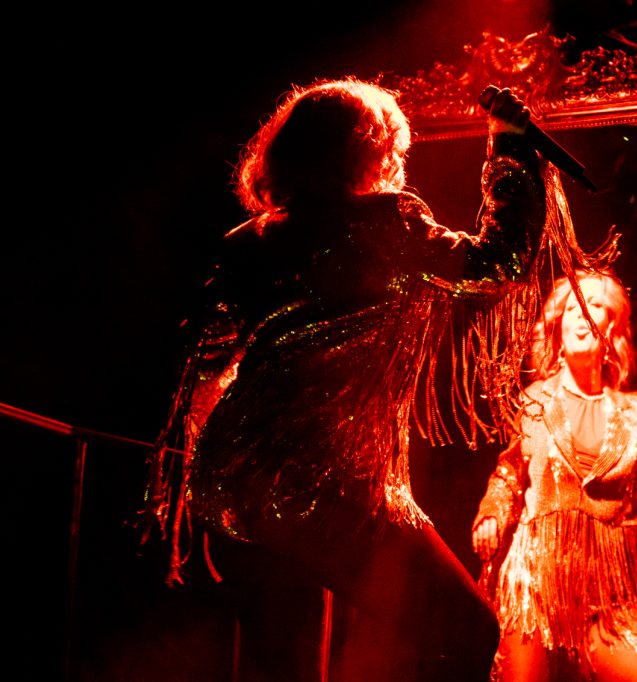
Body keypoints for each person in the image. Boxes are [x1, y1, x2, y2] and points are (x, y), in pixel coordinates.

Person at [139, 76, 569, 681]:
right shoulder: (389, 222)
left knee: (285, 660)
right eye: (392, 148)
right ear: (368, 149)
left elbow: (202, 366)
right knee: (465, 628)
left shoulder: (245, 242)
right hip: (327, 483)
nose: (397, 162)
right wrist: (511, 149)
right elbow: (498, 263)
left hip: (235, 480)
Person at [471, 270, 637, 682]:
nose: (583, 314)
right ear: (558, 325)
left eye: (596, 305)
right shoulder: (535, 402)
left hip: (610, 603)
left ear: (612, 327)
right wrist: (491, 513)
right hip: (536, 590)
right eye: (573, 307)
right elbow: (509, 473)